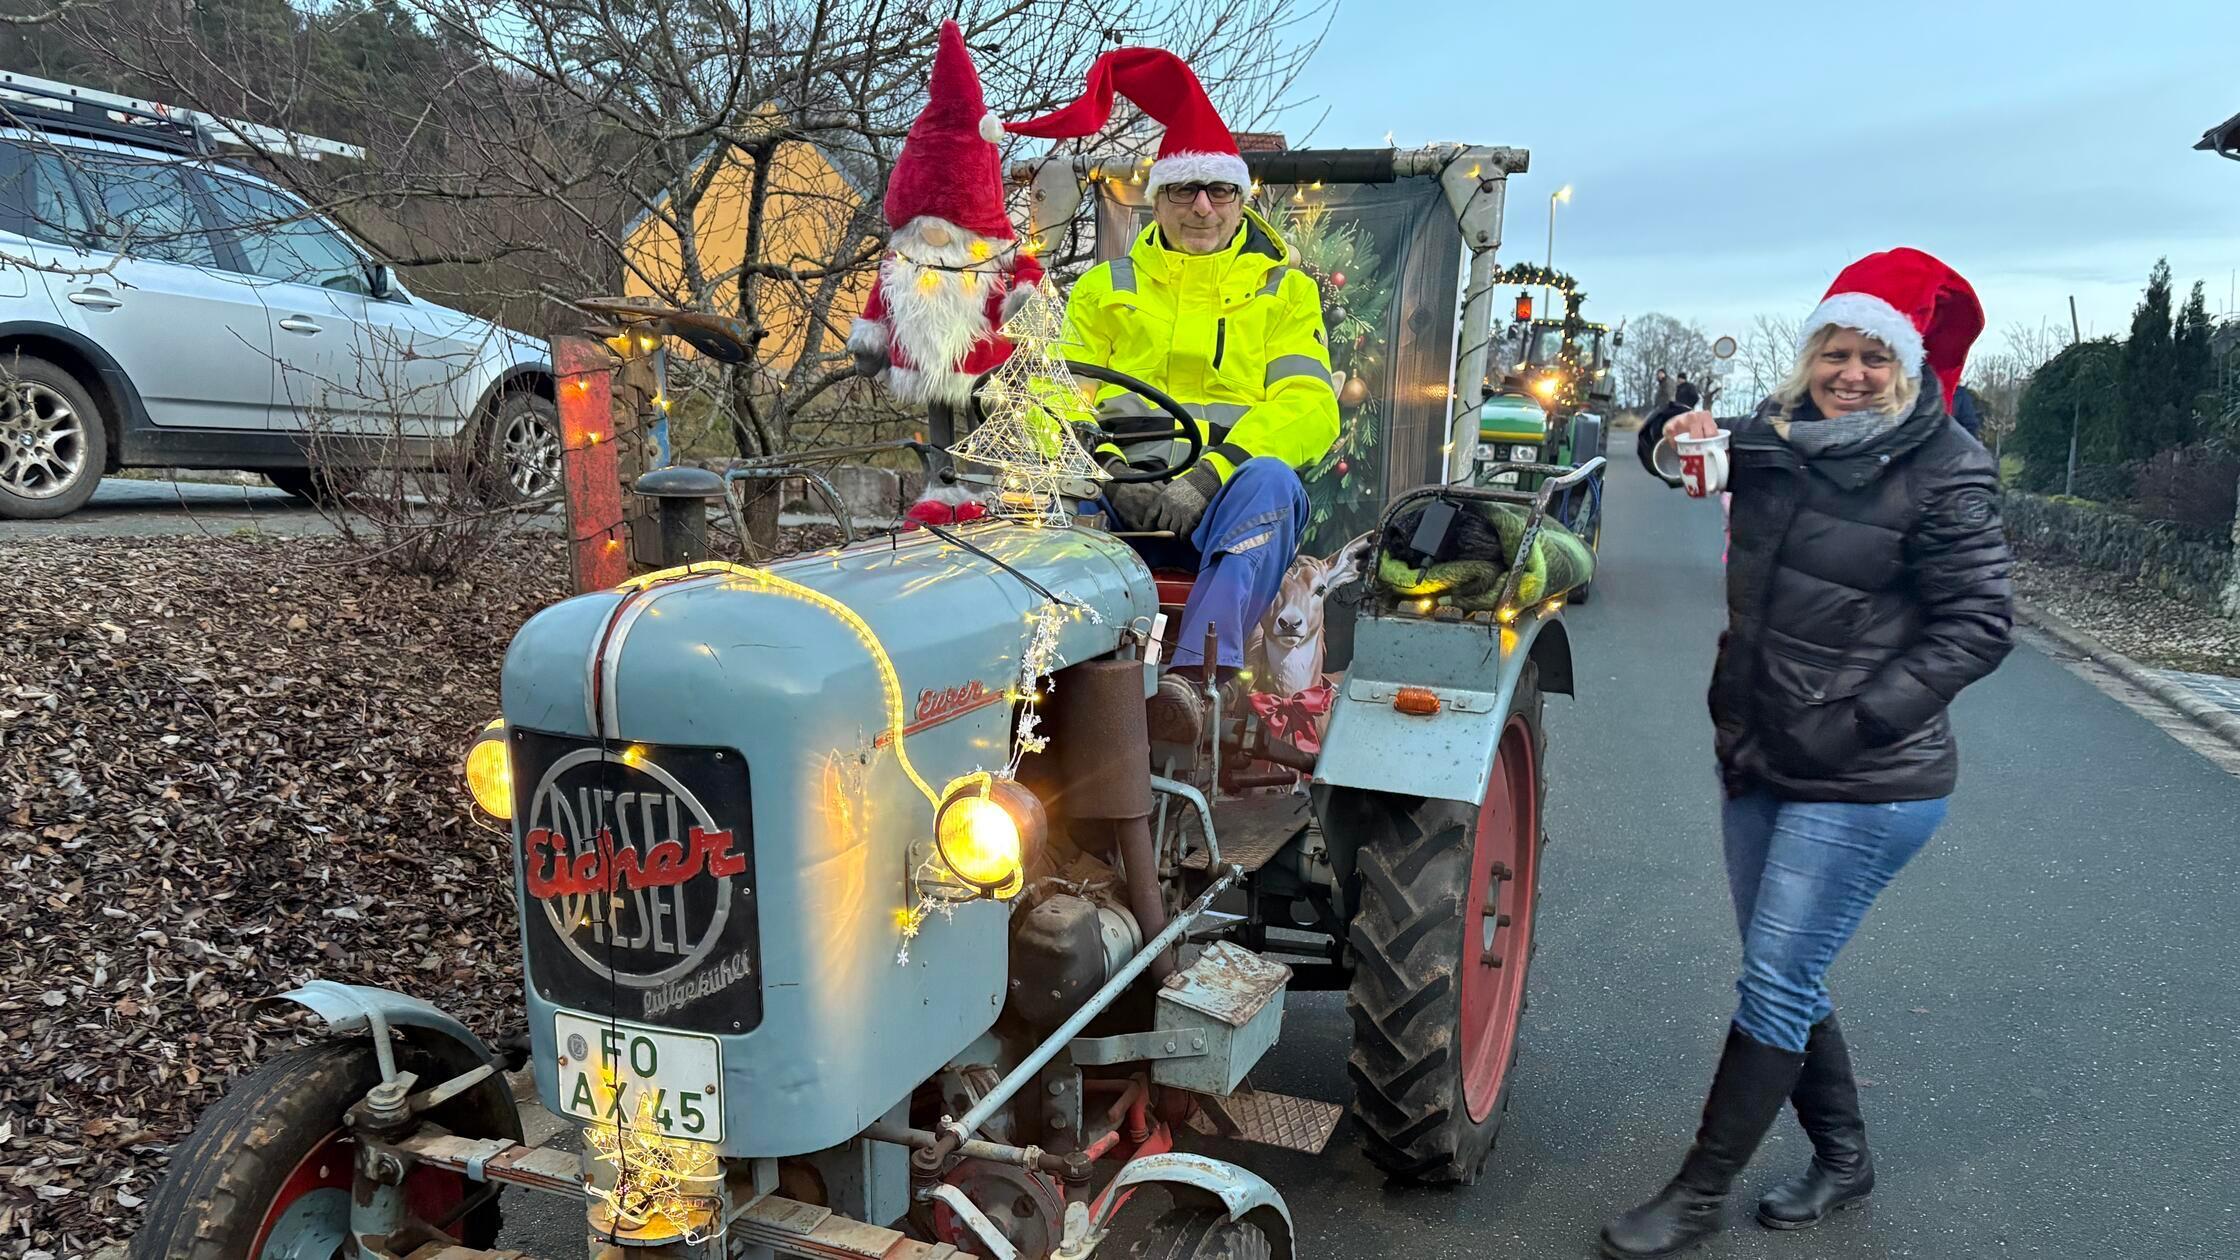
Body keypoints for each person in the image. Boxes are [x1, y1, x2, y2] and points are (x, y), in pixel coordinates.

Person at [1602, 248, 2013, 1259]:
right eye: (1835, 352)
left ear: (1906, 365)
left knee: (1778, 978)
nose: (1851, 373)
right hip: (1758, 753)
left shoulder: (1945, 466)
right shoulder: (1781, 438)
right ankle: (1843, 1157)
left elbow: (1978, 625)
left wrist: (1857, 721)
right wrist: (1667, 430)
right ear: (1808, 358)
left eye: (1874, 356)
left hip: (1868, 776)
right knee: (1782, 969)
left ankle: (1697, 1195)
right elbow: (1685, 453)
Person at [1005, 47, 1339, 738]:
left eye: (1218, 191)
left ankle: (1191, 690)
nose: (1202, 207)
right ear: (1156, 198)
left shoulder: (1285, 292)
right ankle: (1032, 693)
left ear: (1241, 199)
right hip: (1115, 490)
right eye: (1184, 190)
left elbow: (1309, 407)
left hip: (1229, 496)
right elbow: (1055, 396)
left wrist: (1211, 474)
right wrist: (1104, 468)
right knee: (1026, 498)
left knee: (1272, 483)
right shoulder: (1104, 288)